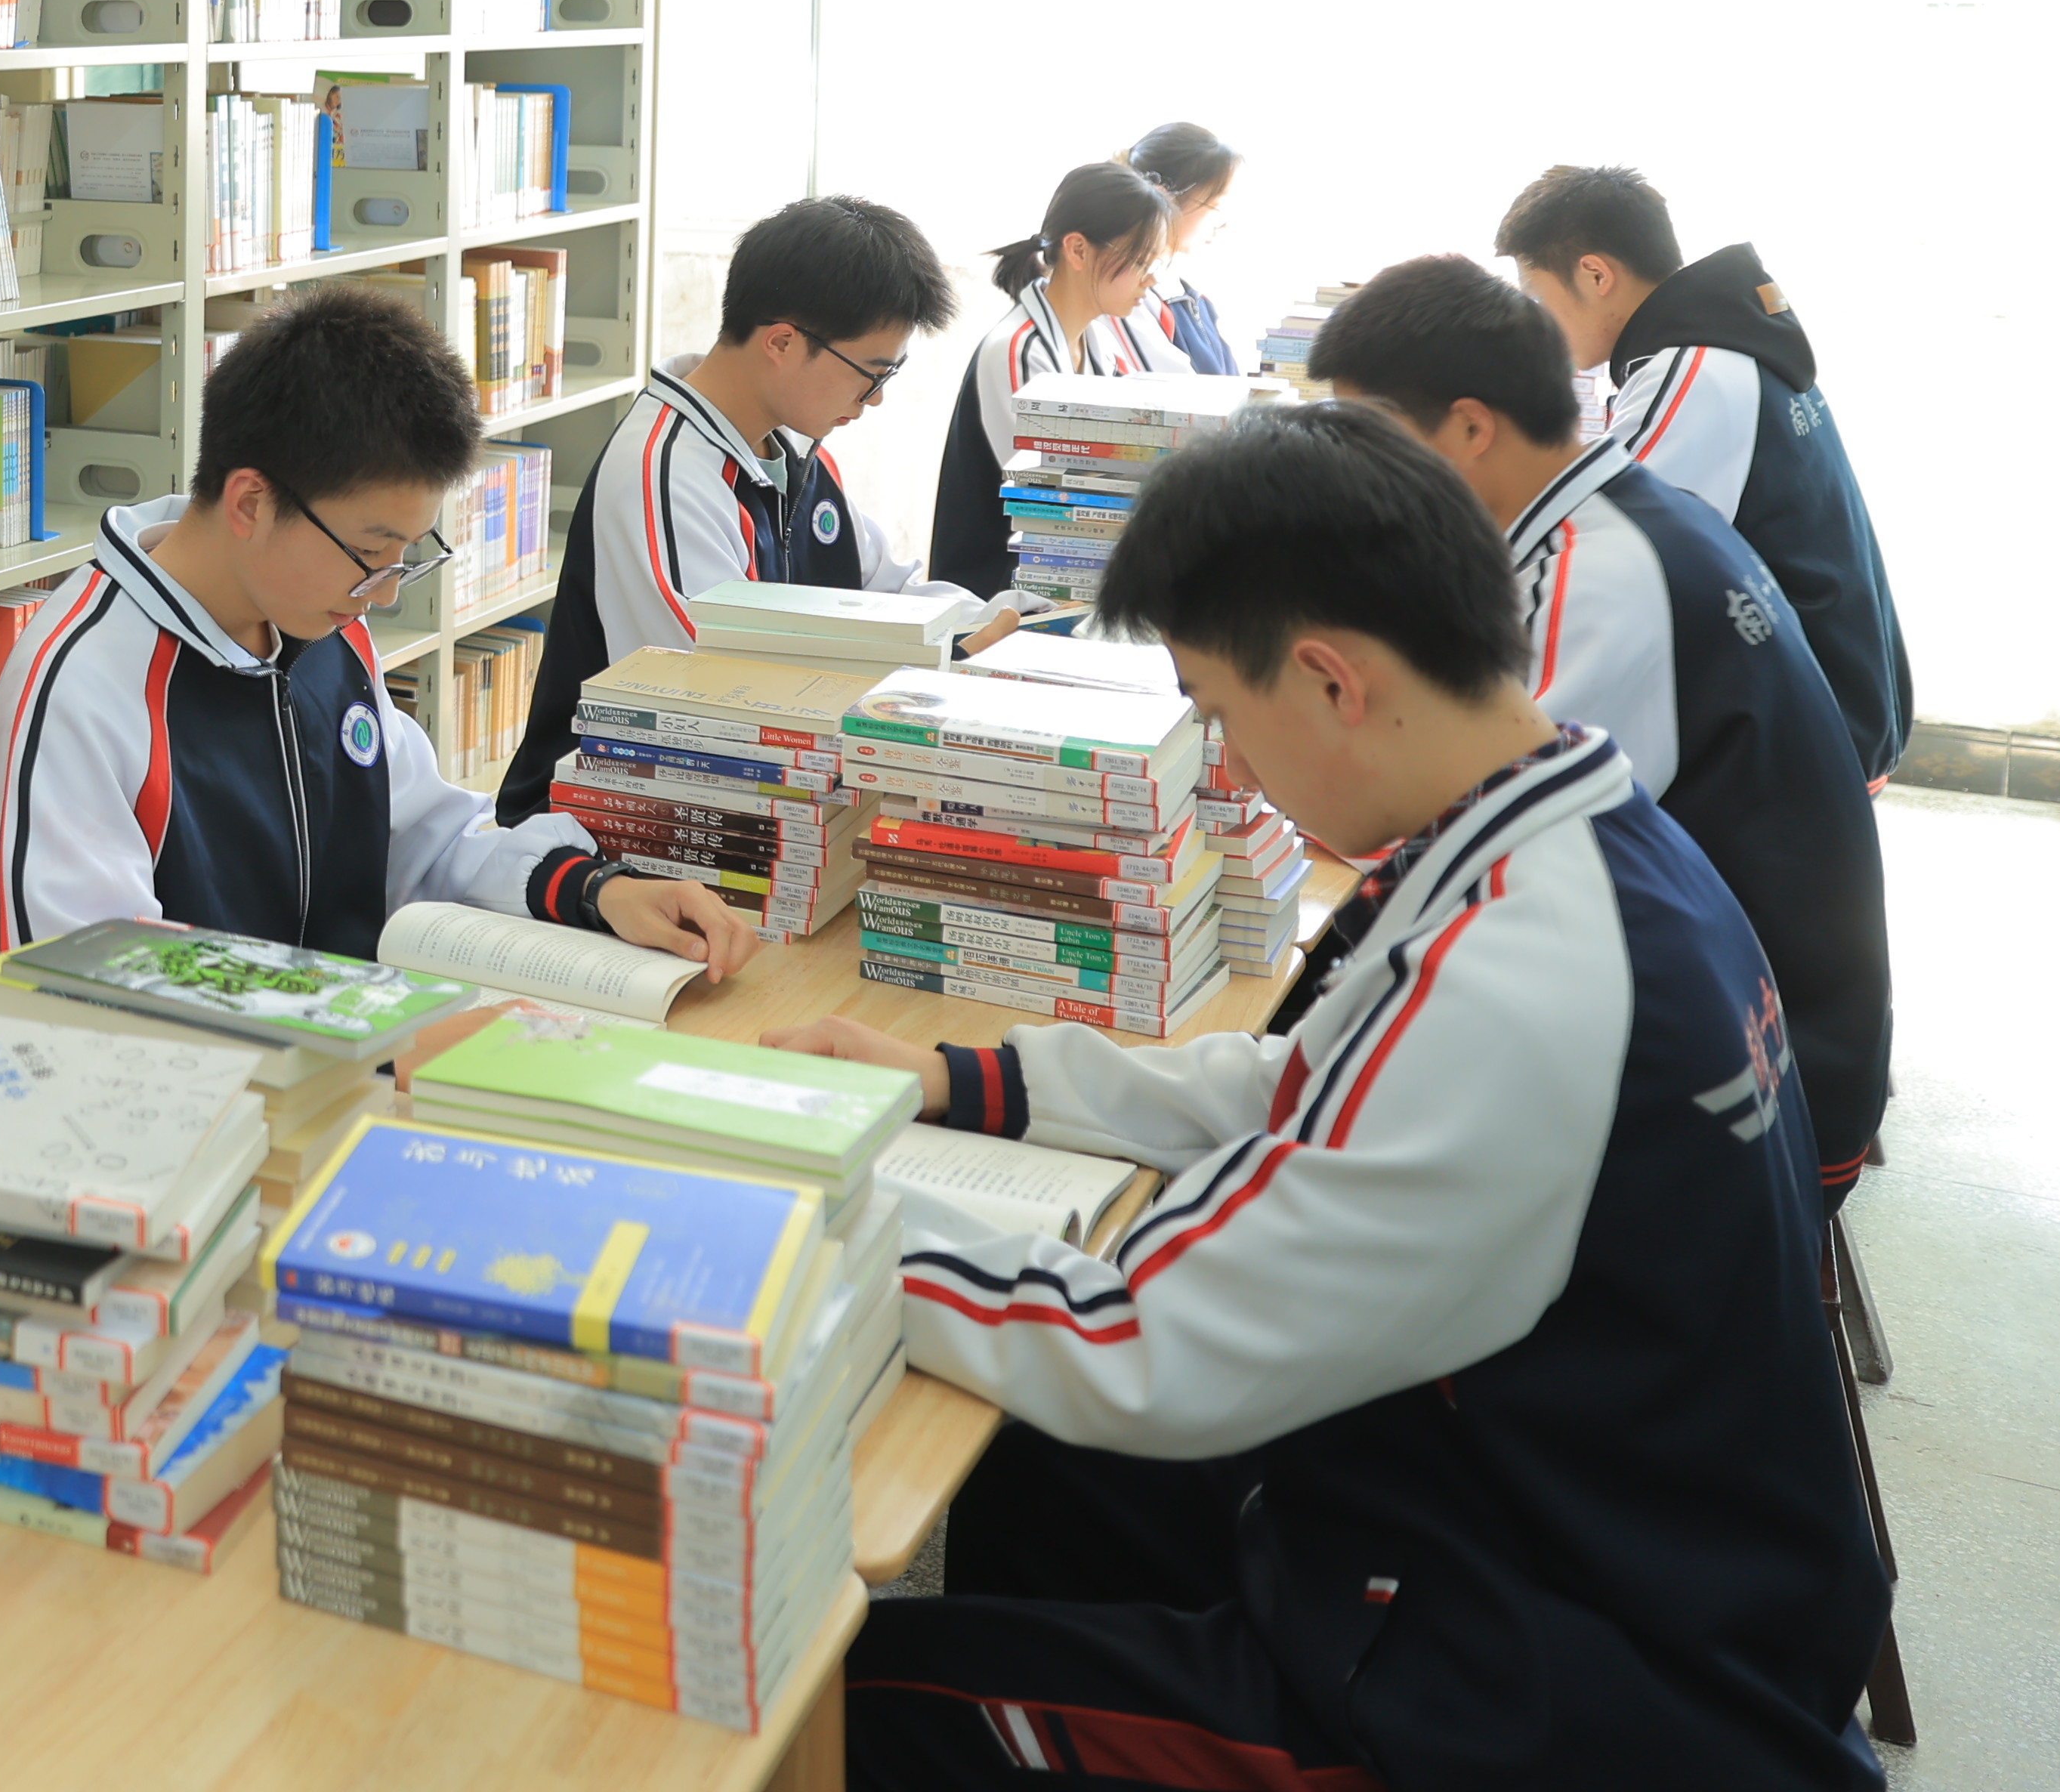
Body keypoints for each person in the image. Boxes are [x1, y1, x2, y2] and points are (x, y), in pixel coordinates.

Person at [770, 408, 1886, 1791]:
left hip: (1559, 1691)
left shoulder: (1515, 981)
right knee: (1050, 1476)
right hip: (1598, 1549)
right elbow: (1308, 1083)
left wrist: (808, 1239)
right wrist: (968, 1080)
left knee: (846, 1694)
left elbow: (1135, 1338)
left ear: (1330, 682)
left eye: (1220, 718)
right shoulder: (1585, 835)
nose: (1229, 769)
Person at [0, 283, 760, 978]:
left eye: (405, 556)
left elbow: (423, 835)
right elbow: (92, 989)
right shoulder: (79, 691)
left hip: (341, 1054)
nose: (381, 595)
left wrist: (599, 890)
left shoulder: (320, 623)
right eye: (370, 553)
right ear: (250, 503)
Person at [1308, 254, 1890, 1192]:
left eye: (1373, 439)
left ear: (1470, 428)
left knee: (1343, 1070)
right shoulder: (1618, 514)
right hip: (1757, 1015)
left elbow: (1470, 840)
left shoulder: (1603, 581)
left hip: (1761, 1095)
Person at [490, 194, 966, 826]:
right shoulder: (662, 474)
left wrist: (982, 631)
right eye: (872, 374)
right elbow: (717, 700)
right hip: (616, 827)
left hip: (759, 798)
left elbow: (887, 589)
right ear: (782, 342)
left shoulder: (792, 451)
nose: (874, 399)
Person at [1496, 163, 1913, 786]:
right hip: (1848, 704)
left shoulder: (1692, 371)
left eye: (1536, 294)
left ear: (1596, 275)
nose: (1536, 320)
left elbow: (1586, 544)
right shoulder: (1735, 347)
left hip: (1803, 736)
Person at [927, 159, 1169, 599]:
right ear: (1078, 250)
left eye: (1157, 263)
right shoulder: (1017, 351)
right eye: (1140, 261)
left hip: (1063, 571)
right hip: (1001, 591)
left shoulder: (1099, 344)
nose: (1151, 280)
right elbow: (1051, 498)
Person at [1115, 121, 1243, 372]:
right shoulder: (1131, 298)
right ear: (1165, 198)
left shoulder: (1193, 299)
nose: (1223, 223)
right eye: (1216, 206)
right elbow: (1181, 392)